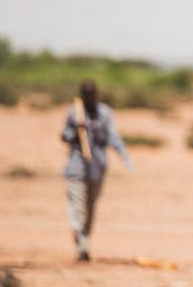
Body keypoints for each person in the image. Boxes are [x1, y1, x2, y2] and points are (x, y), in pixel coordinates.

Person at [60, 80, 133, 261]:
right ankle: (81, 244)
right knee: (77, 208)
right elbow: (64, 136)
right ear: (82, 95)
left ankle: (84, 240)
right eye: (87, 94)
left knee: (90, 209)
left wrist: (124, 156)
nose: (90, 97)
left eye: (93, 93)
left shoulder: (105, 113)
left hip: (97, 167)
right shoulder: (74, 112)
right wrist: (76, 129)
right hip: (76, 167)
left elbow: (113, 136)